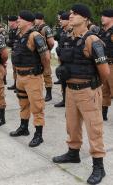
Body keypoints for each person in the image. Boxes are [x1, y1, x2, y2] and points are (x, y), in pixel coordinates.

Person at [52, 4, 110, 185]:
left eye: (75, 14)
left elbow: (105, 71)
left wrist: (93, 86)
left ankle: (99, 166)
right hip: (70, 90)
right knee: (72, 125)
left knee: (94, 129)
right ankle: (73, 152)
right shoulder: (68, 38)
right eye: (70, 14)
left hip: (88, 90)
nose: (71, 16)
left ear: (85, 18)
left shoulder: (93, 40)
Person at [9, 10, 49, 147]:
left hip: (32, 76)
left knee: (37, 106)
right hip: (20, 76)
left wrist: (42, 69)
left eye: (20, 19)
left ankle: (38, 135)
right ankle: (24, 127)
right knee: (23, 104)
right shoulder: (20, 35)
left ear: (28, 21)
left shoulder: (35, 36)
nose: (17, 21)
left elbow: (46, 56)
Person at [35, 12, 55, 102]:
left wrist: (47, 50)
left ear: (41, 19)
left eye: (36, 19)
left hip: (44, 53)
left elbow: (51, 42)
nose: (35, 21)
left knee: (46, 73)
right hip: (37, 55)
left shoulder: (46, 28)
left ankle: (49, 94)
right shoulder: (36, 28)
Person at [54, 12, 72, 108]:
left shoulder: (73, 32)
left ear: (68, 20)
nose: (60, 21)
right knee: (63, 82)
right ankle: (64, 100)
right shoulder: (63, 32)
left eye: (62, 19)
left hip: (71, 62)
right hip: (63, 61)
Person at [99, 9, 113, 121]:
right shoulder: (103, 32)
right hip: (104, 64)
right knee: (104, 91)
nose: (102, 18)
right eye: (102, 16)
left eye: (105, 16)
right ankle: (103, 114)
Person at [6, 15, 19, 91]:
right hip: (13, 52)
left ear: (14, 22)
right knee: (14, 70)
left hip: (19, 53)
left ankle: (19, 85)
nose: (8, 23)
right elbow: (9, 42)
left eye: (9, 22)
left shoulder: (19, 30)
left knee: (18, 70)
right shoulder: (11, 31)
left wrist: (12, 42)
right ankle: (15, 84)